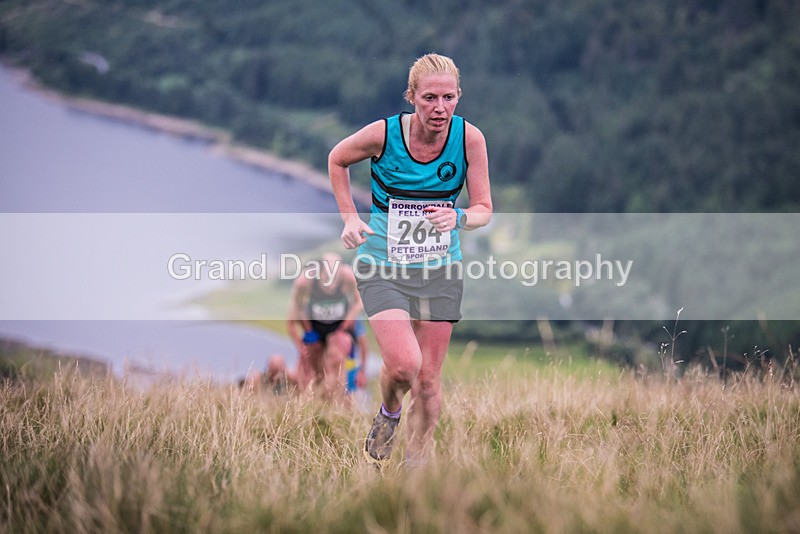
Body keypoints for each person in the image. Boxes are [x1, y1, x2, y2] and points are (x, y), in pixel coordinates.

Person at [328, 53, 492, 466]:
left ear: (459, 97)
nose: (439, 108)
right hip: (383, 266)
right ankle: (389, 411)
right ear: (412, 97)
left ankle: (414, 469)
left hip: (440, 269)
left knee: (430, 381)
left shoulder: (469, 139)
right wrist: (350, 218)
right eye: (429, 98)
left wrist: (458, 217)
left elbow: (484, 209)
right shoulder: (384, 135)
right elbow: (337, 159)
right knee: (404, 367)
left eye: (448, 98)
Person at [286, 252, 365, 400]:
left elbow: (360, 301)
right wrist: (304, 339)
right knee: (314, 368)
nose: (331, 284)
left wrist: (349, 319)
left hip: (339, 326)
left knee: (336, 358)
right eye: (327, 278)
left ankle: (335, 399)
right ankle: (316, 399)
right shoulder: (305, 281)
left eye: (335, 279)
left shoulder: (348, 276)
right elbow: (293, 313)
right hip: (314, 326)